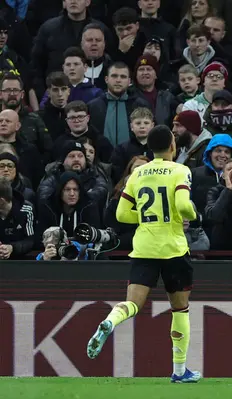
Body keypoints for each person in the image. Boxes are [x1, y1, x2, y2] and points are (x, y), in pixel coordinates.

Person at [86, 125, 202, 383]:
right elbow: (184, 205)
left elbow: (121, 215)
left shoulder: (138, 173)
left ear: (150, 148)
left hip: (145, 247)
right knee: (180, 309)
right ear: (173, 146)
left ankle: (110, 320)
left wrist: (148, 218)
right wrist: (193, 215)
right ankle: (180, 370)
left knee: (133, 304)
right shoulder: (180, 170)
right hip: (173, 249)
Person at [87, 61, 151, 147]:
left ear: (129, 81)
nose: (118, 80)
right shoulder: (93, 106)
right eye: (114, 76)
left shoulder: (140, 105)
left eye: (123, 77)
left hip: (134, 158)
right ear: (106, 79)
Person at [37, 140, 110, 210]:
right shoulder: (53, 177)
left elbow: (100, 192)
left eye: (80, 156)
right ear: (63, 161)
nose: (76, 159)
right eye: (72, 156)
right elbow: (44, 195)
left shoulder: (95, 177)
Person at [36, 171, 102, 243]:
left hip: (84, 251)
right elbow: (39, 239)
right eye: (67, 189)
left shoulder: (89, 206)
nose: (72, 194)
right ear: (60, 191)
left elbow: (95, 239)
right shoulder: (48, 207)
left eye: (75, 189)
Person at [104, 155, 149, 251]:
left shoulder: (156, 201)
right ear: (129, 172)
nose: (140, 172)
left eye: (145, 169)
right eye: (137, 168)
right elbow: (113, 233)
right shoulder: (115, 201)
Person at [110, 107, 155, 183]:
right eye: (138, 123)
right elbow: (117, 175)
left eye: (146, 123)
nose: (142, 126)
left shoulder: (158, 148)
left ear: (152, 125)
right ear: (131, 126)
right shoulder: (121, 149)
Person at [0, 109, 43, 186]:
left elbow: (37, 178)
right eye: (0, 121)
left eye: (8, 121)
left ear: (17, 126)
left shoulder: (30, 150)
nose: (3, 124)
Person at [0, 178, 34, 260]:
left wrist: (11, 248)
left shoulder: (26, 210)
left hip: (20, 260)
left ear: (1, 201)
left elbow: (30, 241)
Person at [81, 23, 111, 91]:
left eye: (98, 40)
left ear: (104, 44)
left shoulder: (112, 68)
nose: (94, 43)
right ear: (82, 44)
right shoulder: (73, 68)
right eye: (89, 40)